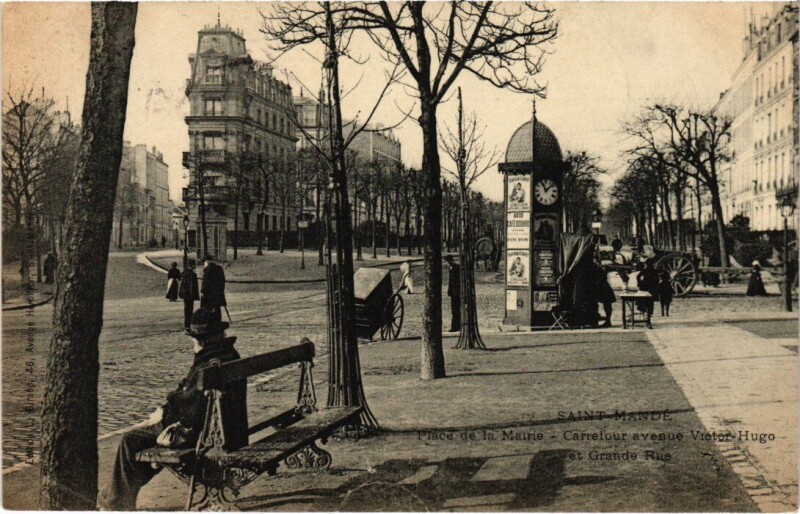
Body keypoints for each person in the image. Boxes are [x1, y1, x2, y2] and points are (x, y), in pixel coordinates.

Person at [98, 308, 247, 511]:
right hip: (230, 431)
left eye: (194, 339)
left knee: (130, 441)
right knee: (143, 445)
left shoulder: (209, 365)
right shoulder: (228, 356)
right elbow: (192, 397)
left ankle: (115, 502)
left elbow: (189, 409)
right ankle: (114, 495)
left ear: (201, 340)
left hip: (198, 435)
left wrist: (163, 413)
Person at [201, 254, 227, 325]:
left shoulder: (207, 270)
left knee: (208, 309)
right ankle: (218, 321)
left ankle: (210, 322)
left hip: (209, 294)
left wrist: (202, 291)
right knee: (217, 308)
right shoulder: (219, 268)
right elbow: (222, 281)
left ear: (206, 262)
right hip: (218, 293)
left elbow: (205, 283)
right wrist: (221, 290)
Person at [636, 257, 659, 329]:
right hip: (651, 289)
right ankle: (648, 320)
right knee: (650, 305)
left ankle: (643, 312)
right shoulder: (654, 271)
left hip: (644, 287)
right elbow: (657, 280)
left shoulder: (645, 270)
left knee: (642, 302)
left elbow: (638, 276)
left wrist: (639, 283)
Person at [593, 258, 616, 328]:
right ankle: (607, 320)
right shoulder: (600, 268)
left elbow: (599, 280)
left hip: (604, 289)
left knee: (607, 305)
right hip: (604, 288)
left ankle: (607, 321)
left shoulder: (599, 269)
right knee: (607, 305)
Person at [179, 260, 200, 330]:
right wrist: (193, 296)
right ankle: (188, 325)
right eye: (194, 264)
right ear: (192, 265)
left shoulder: (185, 273)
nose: (195, 266)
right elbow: (191, 286)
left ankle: (187, 324)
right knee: (189, 310)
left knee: (187, 310)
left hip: (185, 294)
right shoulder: (192, 274)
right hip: (189, 295)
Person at [444, 256, 461, 332]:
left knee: (455, 310)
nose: (447, 263)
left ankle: (455, 327)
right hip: (453, 292)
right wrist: (449, 290)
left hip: (457, 292)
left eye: (448, 261)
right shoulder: (451, 268)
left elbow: (457, 281)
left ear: (451, 261)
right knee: (454, 310)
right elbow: (450, 282)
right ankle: (456, 326)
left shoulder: (456, 268)